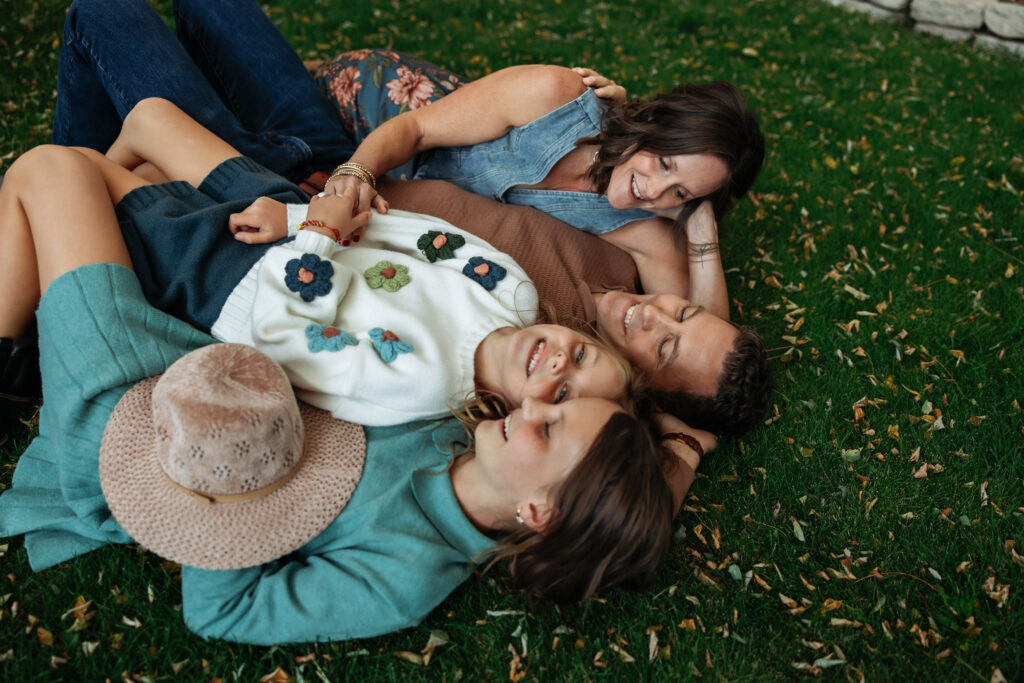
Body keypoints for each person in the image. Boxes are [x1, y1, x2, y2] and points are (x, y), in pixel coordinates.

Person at [43, 0, 771, 435]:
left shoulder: (574, 326)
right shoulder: (566, 111)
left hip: (295, 197)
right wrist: (355, 173)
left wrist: (700, 234)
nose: (655, 195)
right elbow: (416, 133)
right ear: (651, 124)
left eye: (681, 195)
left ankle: (61, 213)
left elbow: (707, 374)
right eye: (664, 166)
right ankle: (70, 200)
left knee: (105, 18)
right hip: (351, 147)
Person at [0, 263, 675, 644]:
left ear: (540, 511)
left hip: (141, 455)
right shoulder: (450, 423)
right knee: (61, 178)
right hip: (195, 361)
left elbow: (220, 611)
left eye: (550, 429)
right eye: (555, 400)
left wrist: (233, 481)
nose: (531, 403)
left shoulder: (403, 576)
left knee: (51, 174)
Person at [0, 99, 635, 427]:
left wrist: (318, 238)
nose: (557, 365)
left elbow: (285, 339)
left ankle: (13, 356)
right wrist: (304, 220)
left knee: (52, 168)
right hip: (296, 224)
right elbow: (420, 235)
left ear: (532, 419)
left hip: (236, 283)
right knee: (148, 121)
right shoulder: (515, 295)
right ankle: (83, 229)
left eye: (565, 394)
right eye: (579, 356)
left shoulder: (425, 383)